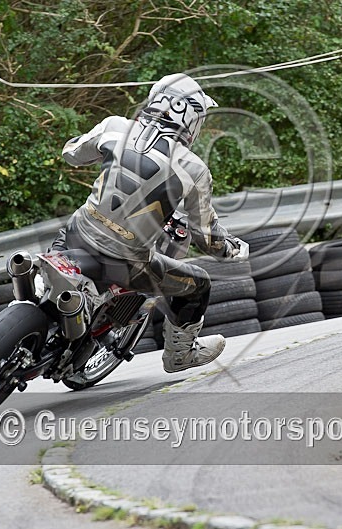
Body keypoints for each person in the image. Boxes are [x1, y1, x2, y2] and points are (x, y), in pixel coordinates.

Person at [55, 73, 248, 373]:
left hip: (77, 233)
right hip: (126, 262)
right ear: (191, 119)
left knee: (57, 246)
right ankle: (180, 355)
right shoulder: (194, 169)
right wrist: (232, 249)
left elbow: (71, 154)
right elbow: (206, 238)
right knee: (198, 285)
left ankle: (29, 299)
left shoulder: (114, 126)